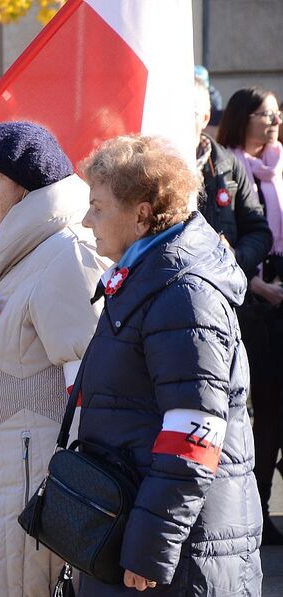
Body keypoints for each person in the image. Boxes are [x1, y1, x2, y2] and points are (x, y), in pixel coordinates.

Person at [74, 134, 262, 594]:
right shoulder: (153, 277)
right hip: (148, 530)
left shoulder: (183, 295)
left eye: (97, 206)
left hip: (176, 556)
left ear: (141, 215)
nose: (85, 219)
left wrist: (151, 545)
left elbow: (194, 433)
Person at [0, 122, 105, 596]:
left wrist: (69, 498)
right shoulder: (4, 258)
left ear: (26, 190)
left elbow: (89, 391)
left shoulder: (64, 257)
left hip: (34, 492)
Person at [196, 83, 278, 543]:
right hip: (208, 312)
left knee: (256, 414)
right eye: (265, 114)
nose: (273, 122)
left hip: (248, 309)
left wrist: (233, 260)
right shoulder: (183, 166)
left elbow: (258, 231)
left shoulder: (227, 168)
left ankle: (252, 512)